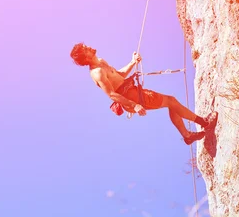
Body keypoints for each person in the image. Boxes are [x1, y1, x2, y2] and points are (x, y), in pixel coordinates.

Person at [70, 43, 217, 145]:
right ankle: (204, 123)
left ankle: (187, 136)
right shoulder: (97, 73)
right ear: (86, 57)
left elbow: (119, 75)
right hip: (130, 97)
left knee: (170, 103)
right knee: (171, 102)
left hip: (132, 91)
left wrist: (133, 62)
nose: (88, 47)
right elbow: (112, 94)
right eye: (85, 48)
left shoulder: (101, 62)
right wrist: (134, 105)